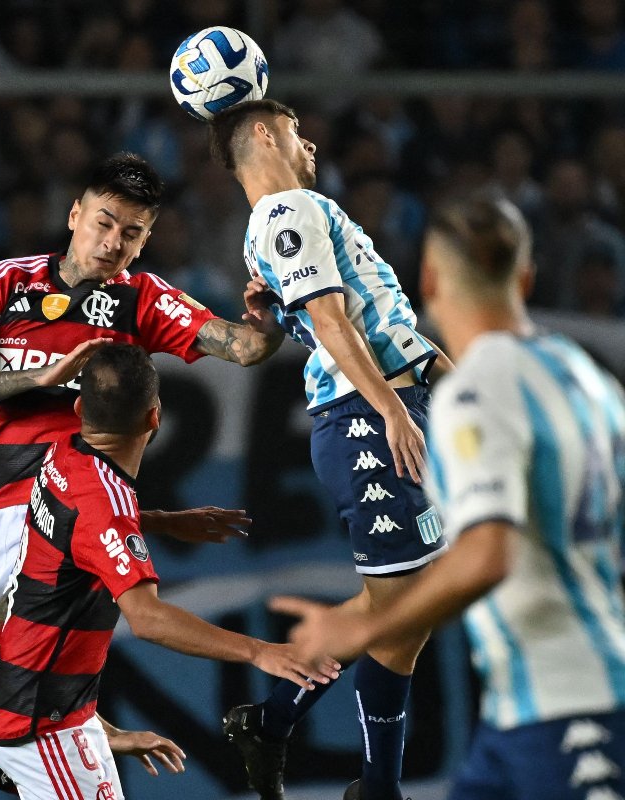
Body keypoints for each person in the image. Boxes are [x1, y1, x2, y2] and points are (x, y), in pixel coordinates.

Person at [0, 151, 287, 786]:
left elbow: (245, 347)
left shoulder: (142, 298)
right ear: (74, 214)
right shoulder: (7, 283)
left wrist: (270, 319)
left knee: (51, 669)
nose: (114, 243)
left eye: (133, 232)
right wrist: (38, 377)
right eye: (105, 222)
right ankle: (51, 773)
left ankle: (64, 767)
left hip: (75, 505)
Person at [272, 194, 625, 800]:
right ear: (526, 277)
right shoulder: (585, 373)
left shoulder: (474, 392)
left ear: (429, 282)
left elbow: (488, 555)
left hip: (569, 705)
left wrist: (364, 628)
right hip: (524, 705)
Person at [207, 99, 456, 800]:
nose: (307, 140)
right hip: (366, 416)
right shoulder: (287, 213)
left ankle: (287, 728)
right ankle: (360, 777)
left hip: (393, 404)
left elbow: (382, 323)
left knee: (412, 607)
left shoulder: (286, 222)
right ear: (264, 134)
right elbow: (327, 317)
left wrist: (448, 389)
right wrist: (389, 410)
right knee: (400, 606)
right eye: (294, 130)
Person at [0, 343, 341, 798]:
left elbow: (80, 523)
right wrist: (258, 652)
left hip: (33, 700)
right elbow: (147, 619)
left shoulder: (64, 451)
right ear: (155, 418)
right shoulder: (103, 503)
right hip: (41, 722)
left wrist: (161, 521)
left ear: (78, 408)